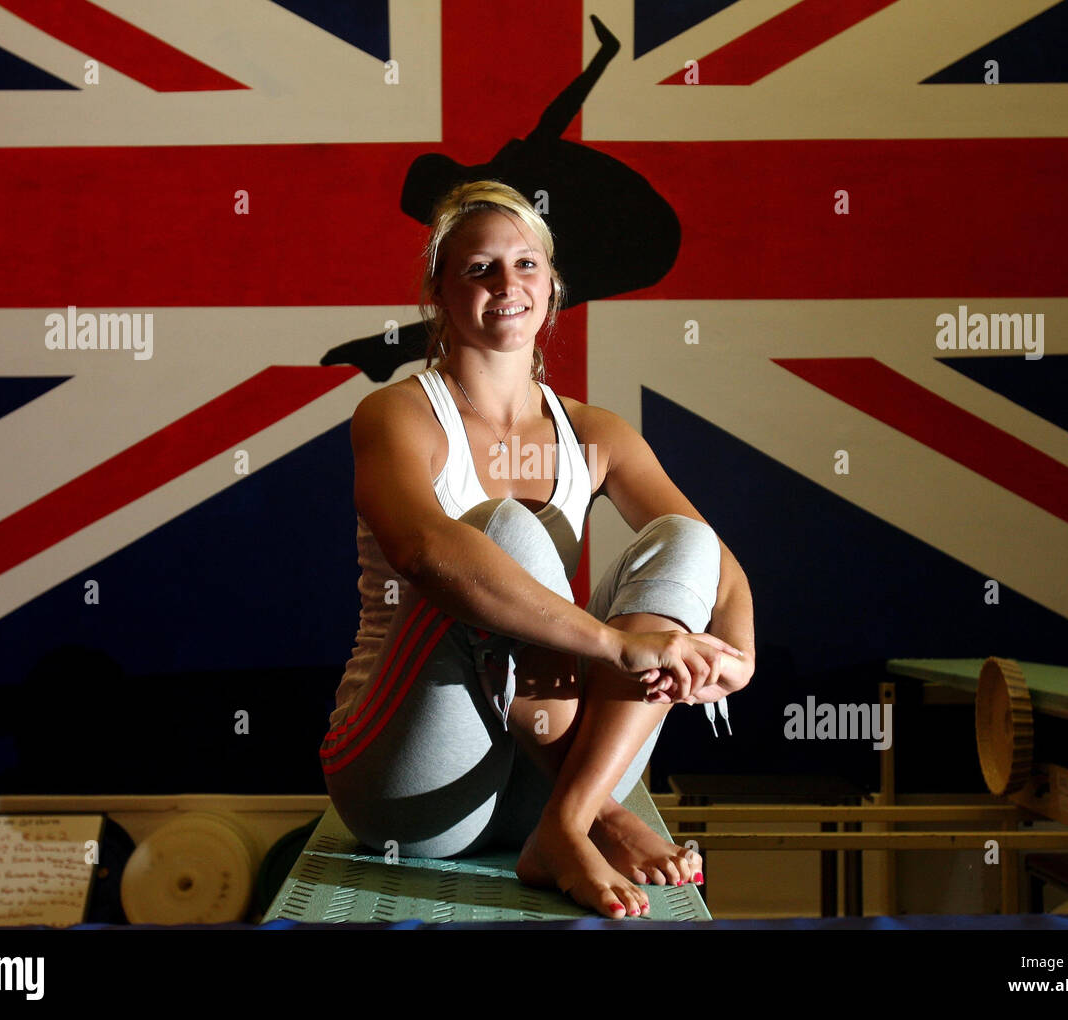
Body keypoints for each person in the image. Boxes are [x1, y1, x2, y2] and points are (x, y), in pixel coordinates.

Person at [320, 180, 755, 919]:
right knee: (503, 529)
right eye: (479, 268)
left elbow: (713, 561)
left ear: (552, 288)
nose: (507, 284)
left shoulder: (596, 432)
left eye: (525, 265)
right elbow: (423, 550)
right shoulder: (394, 413)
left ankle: (566, 823)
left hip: (542, 777)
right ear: (437, 293)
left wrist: (740, 655)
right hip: (415, 790)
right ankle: (602, 820)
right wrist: (617, 646)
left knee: (682, 540)